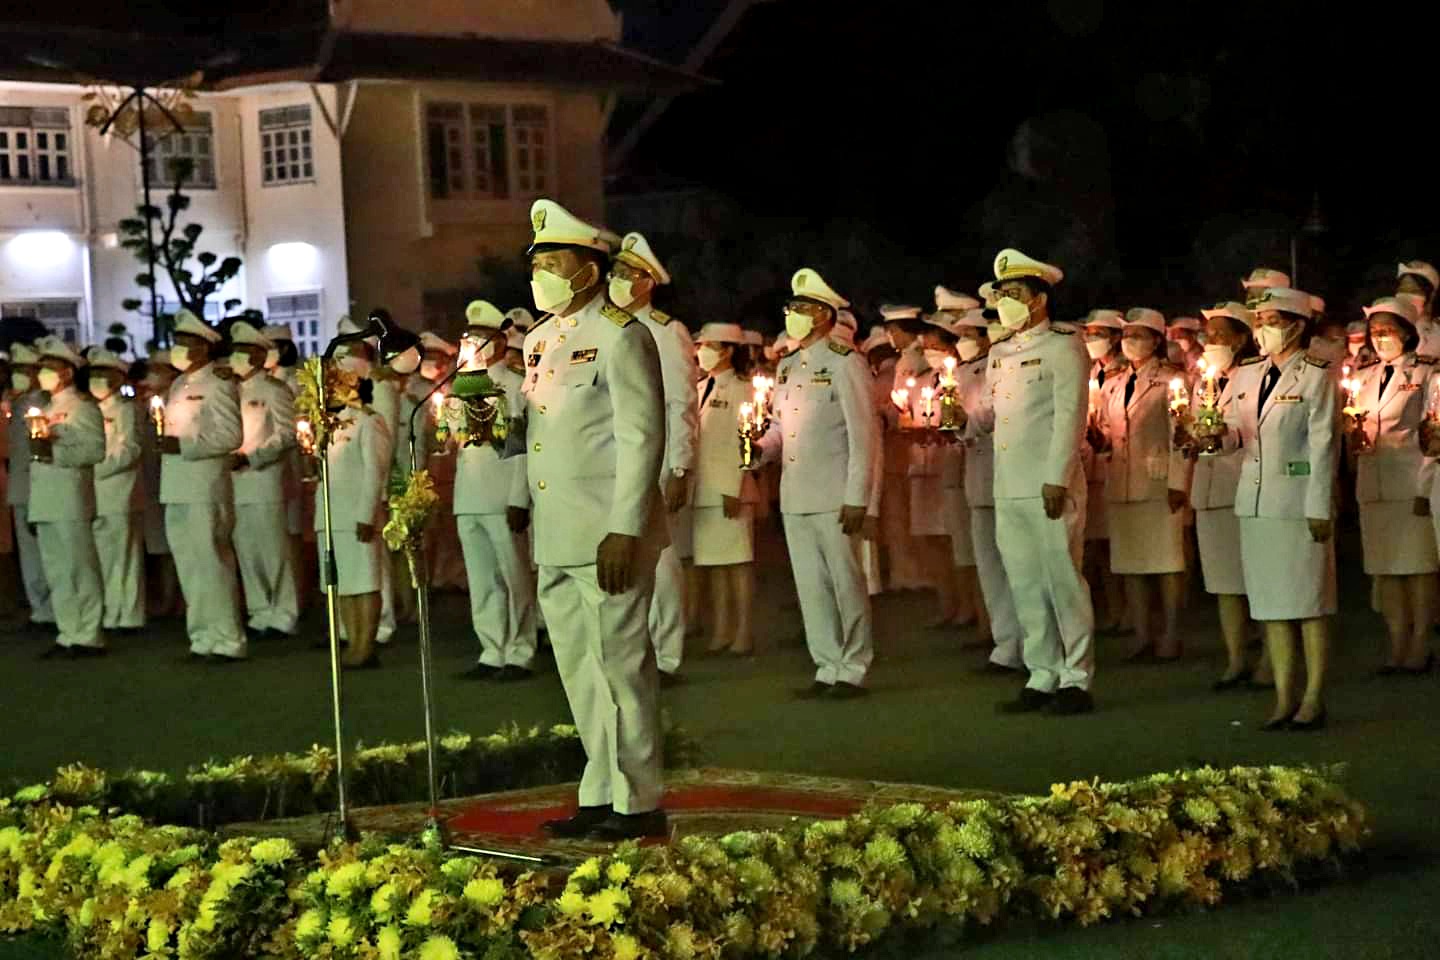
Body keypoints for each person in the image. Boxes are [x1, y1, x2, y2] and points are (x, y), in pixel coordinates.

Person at [511, 198, 668, 841]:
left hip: (608, 533)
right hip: (557, 531)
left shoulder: (620, 335)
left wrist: (626, 527)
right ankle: (600, 791)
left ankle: (640, 800)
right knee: (579, 671)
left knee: (623, 667)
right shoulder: (540, 339)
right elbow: (546, 434)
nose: (541, 270)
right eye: (537, 259)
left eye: (553, 258)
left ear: (589, 268)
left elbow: (642, 436)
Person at [982, 248, 1095, 715]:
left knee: (1062, 579)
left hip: (1049, 482)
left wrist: (1057, 477)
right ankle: (1041, 672)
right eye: (1002, 293)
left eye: (1014, 293)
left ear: (1039, 300)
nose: (1005, 301)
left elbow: (1071, 416)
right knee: (1025, 582)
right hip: (1009, 483)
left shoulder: (1063, 346)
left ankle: (1076, 676)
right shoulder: (1000, 351)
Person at [757, 268, 879, 698]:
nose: (794, 315)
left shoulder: (846, 363)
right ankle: (826, 664)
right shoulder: (788, 365)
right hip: (796, 493)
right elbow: (779, 426)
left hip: (834, 492)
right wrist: (759, 449)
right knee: (811, 586)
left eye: (803, 308)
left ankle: (854, 665)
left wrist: (858, 496)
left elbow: (864, 436)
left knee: (845, 582)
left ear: (826, 315)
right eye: (791, 307)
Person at [1221, 286, 1338, 731]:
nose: (1262, 330)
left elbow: (1325, 444)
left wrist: (1320, 505)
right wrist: (1213, 438)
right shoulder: (1247, 374)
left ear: (1296, 324)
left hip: (1298, 501)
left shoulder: (1315, 374)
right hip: (1255, 501)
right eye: (1259, 321)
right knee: (1270, 604)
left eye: (1271, 321)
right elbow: (1236, 432)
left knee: (1308, 601)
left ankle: (1313, 697)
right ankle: (1283, 697)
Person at [609, 232, 699, 685]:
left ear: (647, 283)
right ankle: (637, 650)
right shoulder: (611, 328)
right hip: (618, 461)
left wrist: (680, 466)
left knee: (661, 563)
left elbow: (681, 402)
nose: (617, 280)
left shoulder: (668, 331)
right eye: (616, 271)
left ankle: (667, 655)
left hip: (659, 461)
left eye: (627, 274)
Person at [1094, 308, 1191, 662]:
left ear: (1156, 340)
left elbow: (1182, 434)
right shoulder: (1114, 382)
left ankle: (1170, 633)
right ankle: (1141, 635)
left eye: (1139, 335)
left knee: (1166, 562)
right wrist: (1098, 437)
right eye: (1127, 335)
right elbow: (1109, 431)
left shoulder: (1171, 379)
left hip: (1158, 482)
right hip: (1122, 480)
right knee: (1130, 562)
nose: (1131, 342)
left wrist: (1179, 482)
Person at [449, 300, 538, 681]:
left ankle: (520, 651)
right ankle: (491, 649)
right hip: (469, 494)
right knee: (482, 579)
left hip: (503, 494)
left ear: (501, 342)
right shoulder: (462, 384)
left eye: (482, 337)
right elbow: (455, 437)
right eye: (470, 337)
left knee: (514, 576)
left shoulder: (516, 385)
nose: (474, 344)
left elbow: (521, 447)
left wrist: (520, 498)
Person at [1351, 296, 1437, 674]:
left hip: (1411, 482)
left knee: (1417, 568)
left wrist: (1425, 488)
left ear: (1407, 332)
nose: (1380, 337)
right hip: (1373, 482)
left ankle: (1420, 643)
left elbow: (1435, 436)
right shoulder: (1364, 376)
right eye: (1374, 331)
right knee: (1385, 569)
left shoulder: (1426, 373)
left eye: (1388, 330)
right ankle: (1396, 643)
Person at [160, 310, 247, 663]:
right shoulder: (178, 385)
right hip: (177, 485)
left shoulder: (219, 383)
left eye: (187, 342)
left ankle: (228, 639)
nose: (179, 348)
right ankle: (202, 637)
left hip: (205, 484)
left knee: (212, 562)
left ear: (206, 348)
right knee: (190, 565)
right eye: (177, 341)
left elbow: (231, 435)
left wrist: (184, 445)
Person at [1191, 301, 1267, 689]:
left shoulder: (1254, 376)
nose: (1213, 340)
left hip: (1243, 485)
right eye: (1209, 334)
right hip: (1208, 489)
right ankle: (1236, 659)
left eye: (1222, 333)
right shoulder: (1201, 378)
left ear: (1242, 338)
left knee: (1258, 578)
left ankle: (1270, 659)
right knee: (1223, 582)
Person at [953, 307, 1024, 672]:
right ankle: (1006, 645)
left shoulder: (1005, 362)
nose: (962, 341)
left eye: (970, 333)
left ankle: (1032, 644)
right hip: (979, 476)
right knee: (990, 567)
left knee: (1019, 565)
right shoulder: (964, 370)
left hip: (1011, 474)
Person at [29, 337, 106, 658]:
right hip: (47, 498)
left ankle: (88, 633)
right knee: (57, 569)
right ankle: (68, 631)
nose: (43, 373)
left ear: (68, 372)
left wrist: (54, 451)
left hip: (71, 497)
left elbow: (95, 450)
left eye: (50, 367)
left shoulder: (82, 407)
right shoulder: (45, 408)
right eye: (42, 367)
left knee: (79, 566)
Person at [318, 359, 393, 669]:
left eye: (337, 380)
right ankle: (352, 641)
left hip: (357, 516)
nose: (329, 387)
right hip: (331, 514)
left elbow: (375, 472)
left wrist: (366, 514)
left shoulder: (368, 420)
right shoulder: (330, 422)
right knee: (344, 584)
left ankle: (366, 645)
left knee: (365, 581)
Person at [227, 321, 300, 640]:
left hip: (263, 479)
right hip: (232, 483)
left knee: (273, 550)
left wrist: (252, 457)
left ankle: (283, 613)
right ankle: (259, 612)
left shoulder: (274, 390)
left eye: (244, 352)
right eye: (235, 352)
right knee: (246, 550)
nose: (237, 358)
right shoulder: (230, 390)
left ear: (259, 356)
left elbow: (287, 434)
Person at [691, 322, 758, 656]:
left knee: (737, 563)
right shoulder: (701, 386)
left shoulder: (742, 389)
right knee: (714, 565)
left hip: (730, 488)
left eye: (710, 345)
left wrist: (736, 485)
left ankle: (744, 632)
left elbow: (745, 441)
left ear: (729, 350)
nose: (701, 351)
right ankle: (721, 630)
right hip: (703, 489)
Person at [87, 349, 146, 635]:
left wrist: (96, 469)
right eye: (94, 374)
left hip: (119, 490)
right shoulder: (91, 410)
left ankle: (129, 614)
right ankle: (111, 612)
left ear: (118, 377)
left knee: (124, 556)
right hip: (93, 494)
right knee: (103, 557)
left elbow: (130, 449)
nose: (97, 380)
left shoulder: (125, 409)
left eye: (104, 374)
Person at [1079, 309, 1128, 633]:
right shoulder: (1088, 372)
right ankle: (1106, 610)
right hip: (1088, 468)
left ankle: (1123, 612)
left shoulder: (1123, 373)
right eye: (1088, 333)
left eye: (1098, 334)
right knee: (1094, 546)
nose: (1091, 340)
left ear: (1113, 338)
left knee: (1114, 545)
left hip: (1116, 468)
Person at [878, 303, 931, 591]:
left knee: (906, 510)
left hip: (908, 442)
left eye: (892, 331)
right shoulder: (909, 359)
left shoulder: (911, 361)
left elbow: (905, 406)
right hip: (905, 442)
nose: (890, 337)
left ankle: (914, 573)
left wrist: (885, 411)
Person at [5, 342, 53, 628]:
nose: (19, 375)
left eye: (24, 369)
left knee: (44, 551)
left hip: (39, 485)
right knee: (30, 555)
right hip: (22, 485)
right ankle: (40, 609)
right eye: (16, 370)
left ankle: (50, 608)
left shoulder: (44, 403)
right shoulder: (19, 401)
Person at [136, 352, 181, 618]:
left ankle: (176, 599)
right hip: (151, 480)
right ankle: (165, 598)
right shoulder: (144, 405)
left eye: (158, 369)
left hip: (173, 478)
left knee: (175, 545)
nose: (151, 374)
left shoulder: (176, 403)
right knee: (158, 545)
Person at [1396, 260, 1440, 357]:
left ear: (1431, 296)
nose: (1406, 296)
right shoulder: (1384, 326)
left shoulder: (1437, 332)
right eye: (1402, 289)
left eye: (1414, 290)